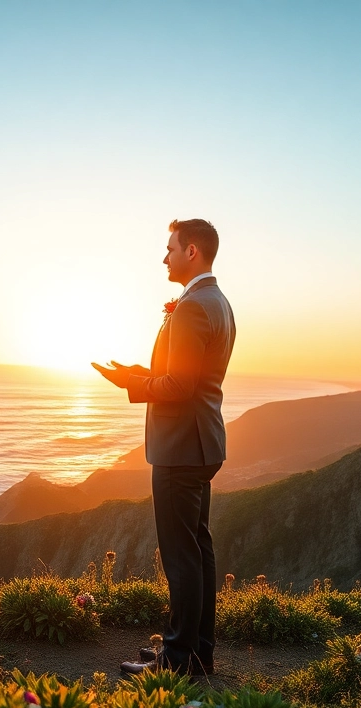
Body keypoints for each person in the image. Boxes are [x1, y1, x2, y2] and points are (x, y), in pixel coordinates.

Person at [93, 219, 234, 677]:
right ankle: (197, 652)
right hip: (203, 442)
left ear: (191, 251)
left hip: (180, 448)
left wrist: (129, 381)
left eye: (170, 248)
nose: (164, 257)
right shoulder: (218, 301)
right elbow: (189, 374)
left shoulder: (193, 306)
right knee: (199, 552)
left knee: (180, 557)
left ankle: (177, 660)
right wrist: (140, 368)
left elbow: (178, 385)